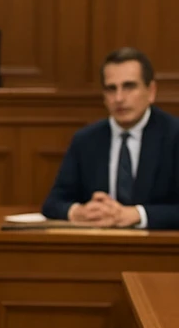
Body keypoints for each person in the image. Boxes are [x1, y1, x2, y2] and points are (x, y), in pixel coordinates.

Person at [42, 48, 179, 228]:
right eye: (111, 89)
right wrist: (79, 211)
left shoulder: (174, 135)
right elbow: (53, 202)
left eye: (129, 87)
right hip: (99, 247)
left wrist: (137, 214)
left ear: (151, 91)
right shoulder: (86, 140)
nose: (119, 98)